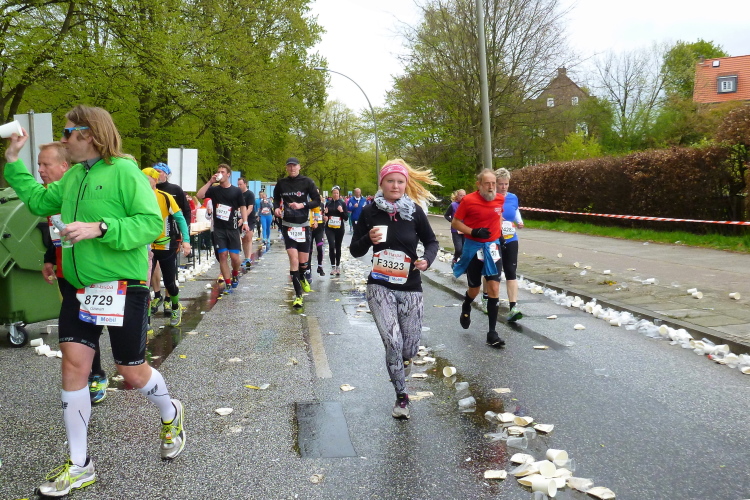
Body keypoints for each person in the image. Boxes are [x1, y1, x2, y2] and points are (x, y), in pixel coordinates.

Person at [3, 105, 186, 497]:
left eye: (67, 132)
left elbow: (150, 223)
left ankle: (171, 412)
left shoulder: (124, 171)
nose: (62, 139)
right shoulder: (73, 177)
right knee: (73, 367)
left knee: (131, 371)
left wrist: (100, 227)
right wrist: (13, 161)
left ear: (89, 133)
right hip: (80, 287)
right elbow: (38, 202)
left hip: (123, 285)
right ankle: (80, 464)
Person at [350, 159, 439, 420]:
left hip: (411, 286)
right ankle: (401, 396)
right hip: (380, 285)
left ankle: (404, 361)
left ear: (405, 184)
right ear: (382, 183)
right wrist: (368, 239)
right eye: (390, 181)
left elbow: (432, 242)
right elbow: (355, 250)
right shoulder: (369, 212)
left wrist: (427, 260)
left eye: (400, 182)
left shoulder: (414, 211)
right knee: (392, 341)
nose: (396, 186)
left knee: (409, 348)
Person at [38, 142, 111, 404]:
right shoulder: (50, 196)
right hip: (65, 271)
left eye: (46, 164)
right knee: (75, 330)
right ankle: (81, 378)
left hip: (90, 271)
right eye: (39, 164)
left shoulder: (82, 191)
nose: (40, 170)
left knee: (88, 325)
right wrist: (49, 259)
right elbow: (55, 234)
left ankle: (97, 374)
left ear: (64, 167)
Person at [451, 168, 506, 348]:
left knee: (494, 287)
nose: (491, 187)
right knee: (474, 289)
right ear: (479, 185)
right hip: (474, 247)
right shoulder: (468, 200)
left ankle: (492, 333)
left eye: (493, 183)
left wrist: (500, 235)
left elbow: (499, 216)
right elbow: (456, 223)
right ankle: (467, 304)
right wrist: (473, 231)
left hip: (493, 247)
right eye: (487, 183)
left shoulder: (500, 199)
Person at [143, 167, 191, 326]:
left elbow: (180, 219)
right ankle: (146, 320)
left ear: (155, 180)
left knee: (170, 282)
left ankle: (176, 306)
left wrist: (186, 240)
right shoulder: (137, 197)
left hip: (166, 245)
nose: (143, 181)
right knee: (144, 284)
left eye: (147, 178)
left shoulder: (165, 197)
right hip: (146, 247)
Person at [273, 157, 321, 308]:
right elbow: (276, 199)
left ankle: (302, 276)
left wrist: (302, 205)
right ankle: (298, 296)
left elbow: (317, 201)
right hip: (288, 226)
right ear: (286, 168)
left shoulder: (307, 182)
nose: (292, 168)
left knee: (303, 264)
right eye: (289, 166)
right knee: (293, 260)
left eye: (294, 166)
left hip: (303, 226)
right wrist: (276, 208)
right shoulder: (281, 183)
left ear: (299, 167)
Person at [197, 164, 250, 294]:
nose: (219, 173)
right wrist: (210, 181)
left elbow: (243, 206)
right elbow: (199, 195)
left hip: (232, 228)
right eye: (218, 171)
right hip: (219, 229)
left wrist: (245, 222)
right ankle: (228, 283)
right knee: (222, 255)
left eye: (222, 171)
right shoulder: (214, 190)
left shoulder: (236, 191)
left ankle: (235, 273)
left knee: (235, 258)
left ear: (228, 174)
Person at [495, 168, 524, 322]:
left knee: (511, 271)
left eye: (506, 184)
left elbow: (515, 210)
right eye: (501, 184)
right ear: (495, 184)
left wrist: (519, 221)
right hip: (494, 239)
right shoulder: (490, 198)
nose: (504, 187)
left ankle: (513, 307)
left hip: (511, 238)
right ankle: (487, 298)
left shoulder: (513, 197)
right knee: (493, 272)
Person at [324, 185, 348, 275]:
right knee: (331, 245)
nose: (335, 195)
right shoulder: (328, 203)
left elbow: (346, 218)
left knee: (338, 247)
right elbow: (325, 216)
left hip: (339, 228)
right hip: (329, 228)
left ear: (339, 194)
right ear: (332, 194)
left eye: (337, 193)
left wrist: (341, 211)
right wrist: (325, 215)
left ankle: (338, 266)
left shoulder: (342, 203)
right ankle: (333, 266)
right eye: (334, 193)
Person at [306, 189, 326, 280]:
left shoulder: (321, 204)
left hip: (319, 229)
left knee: (319, 247)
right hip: (310, 228)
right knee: (309, 250)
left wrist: (325, 218)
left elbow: (325, 214)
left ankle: (320, 266)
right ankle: (308, 268)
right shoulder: (308, 203)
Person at [443, 189, 466, 268]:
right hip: (455, 230)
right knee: (459, 249)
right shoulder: (453, 205)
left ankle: (463, 266)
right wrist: (452, 221)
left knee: (464, 249)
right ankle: (455, 259)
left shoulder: (467, 205)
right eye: (460, 195)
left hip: (465, 229)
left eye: (464, 195)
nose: (462, 197)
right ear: (457, 196)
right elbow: (446, 215)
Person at [237, 177, 256, 267]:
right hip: (238, 218)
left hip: (249, 219)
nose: (239, 186)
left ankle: (248, 258)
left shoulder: (250, 194)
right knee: (243, 238)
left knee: (248, 237)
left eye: (240, 184)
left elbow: (250, 208)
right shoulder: (237, 194)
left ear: (245, 184)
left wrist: (244, 219)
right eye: (238, 184)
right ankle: (245, 257)